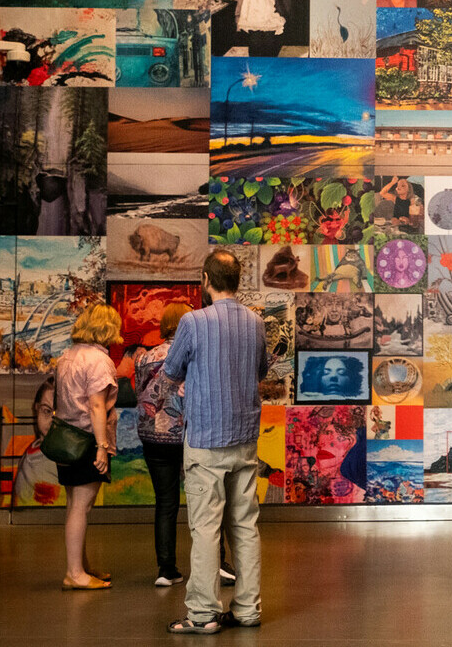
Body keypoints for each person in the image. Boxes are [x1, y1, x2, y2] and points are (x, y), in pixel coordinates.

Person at [164, 250, 270, 635]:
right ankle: (247, 610)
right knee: (245, 526)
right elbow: (262, 369)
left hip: (205, 439)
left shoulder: (193, 322)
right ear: (237, 280)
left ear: (205, 279)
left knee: (206, 528)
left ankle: (204, 613)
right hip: (244, 438)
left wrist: (181, 404)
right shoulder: (256, 323)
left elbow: (170, 372)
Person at [55, 304, 124, 591]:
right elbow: (97, 406)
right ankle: (75, 573)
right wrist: (101, 446)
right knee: (82, 506)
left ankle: (79, 567)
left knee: (75, 505)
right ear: (107, 328)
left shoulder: (67, 356)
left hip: (66, 440)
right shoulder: (98, 360)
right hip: (87, 440)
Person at [137, 303, 192, 587]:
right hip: (184, 436)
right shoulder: (189, 355)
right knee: (201, 503)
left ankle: (166, 569)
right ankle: (215, 564)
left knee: (165, 503)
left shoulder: (143, 358)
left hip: (151, 438)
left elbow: (142, 394)